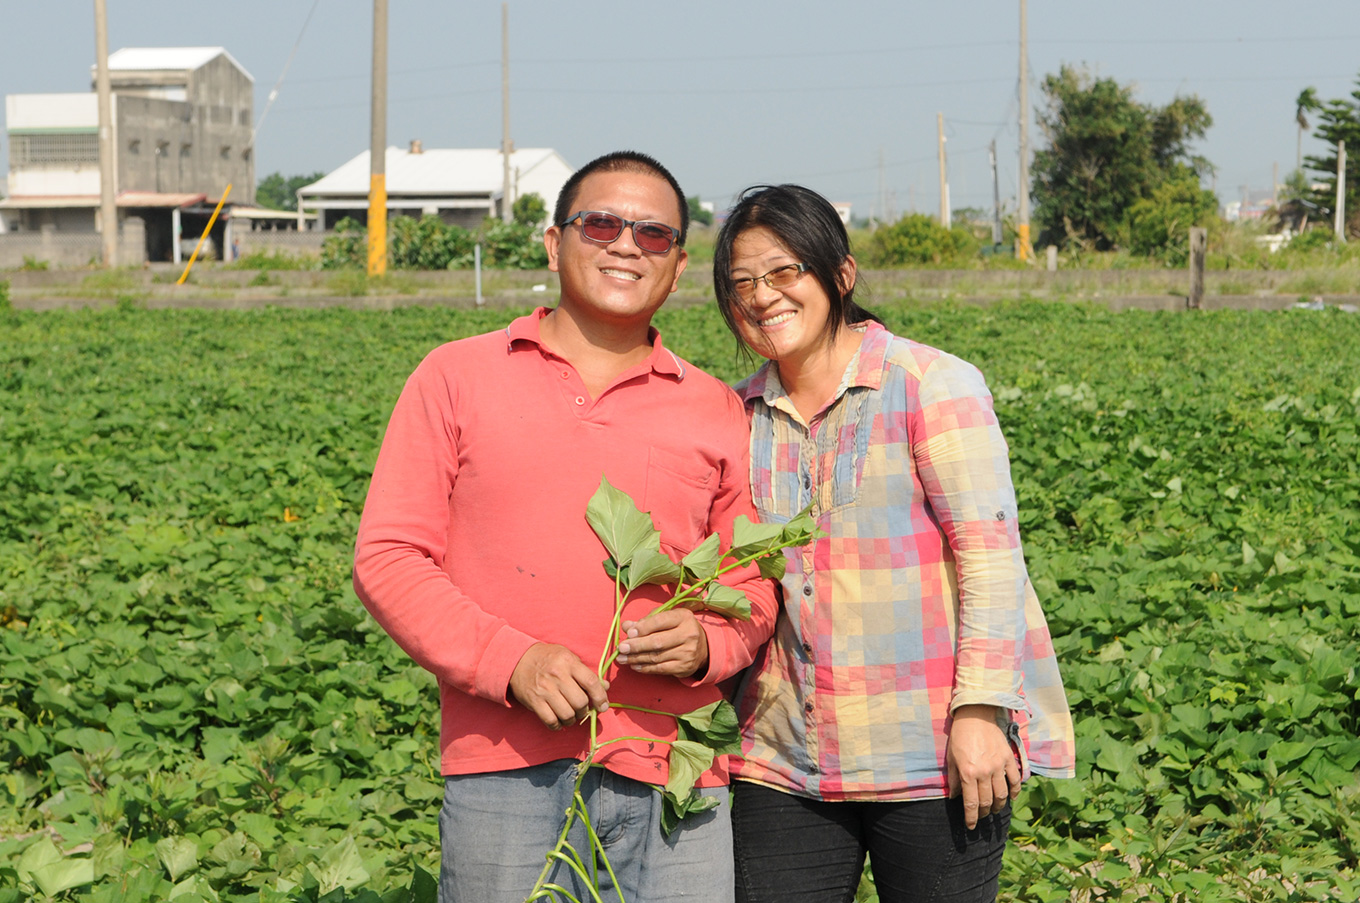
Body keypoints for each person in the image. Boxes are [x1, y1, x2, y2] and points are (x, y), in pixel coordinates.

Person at [353, 151, 776, 903]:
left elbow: (750, 580)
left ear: (677, 267)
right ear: (554, 243)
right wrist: (510, 660)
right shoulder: (456, 376)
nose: (624, 245)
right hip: (503, 767)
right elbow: (391, 557)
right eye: (602, 223)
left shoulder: (714, 407)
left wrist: (710, 643)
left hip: (676, 772)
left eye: (652, 234)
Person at [711, 184, 1076, 903]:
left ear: (839, 275)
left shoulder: (929, 384)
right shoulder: (739, 413)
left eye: (785, 273)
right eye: (741, 282)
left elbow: (991, 553)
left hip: (932, 751)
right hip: (785, 754)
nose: (762, 297)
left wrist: (980, 712)